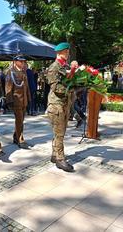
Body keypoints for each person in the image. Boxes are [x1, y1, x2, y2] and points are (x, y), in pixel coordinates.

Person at [46, 42, 74, 172]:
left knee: (59, 132)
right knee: (60, 134)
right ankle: (60, 159)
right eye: (65, 51)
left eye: (68, 51)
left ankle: (54, 154)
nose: (67, 54)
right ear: (59, 53)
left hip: (64, 104)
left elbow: (70, 81)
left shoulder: (65, 66)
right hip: (56, 105)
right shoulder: (54, 67)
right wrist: (70, 88)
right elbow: (55, 87)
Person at [5, 56, 31, 149]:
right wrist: (9, 101)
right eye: (20, 61)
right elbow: (8, 87)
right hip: (16, 100)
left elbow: (26, 86)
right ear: (15, 62)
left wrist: (29, 98)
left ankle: (16, 137)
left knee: (21, 120)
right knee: (19, 120)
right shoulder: (11, 72)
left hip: (24, 100)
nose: (22, 63)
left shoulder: (23, 71)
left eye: (23, 61)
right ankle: (20, 139)